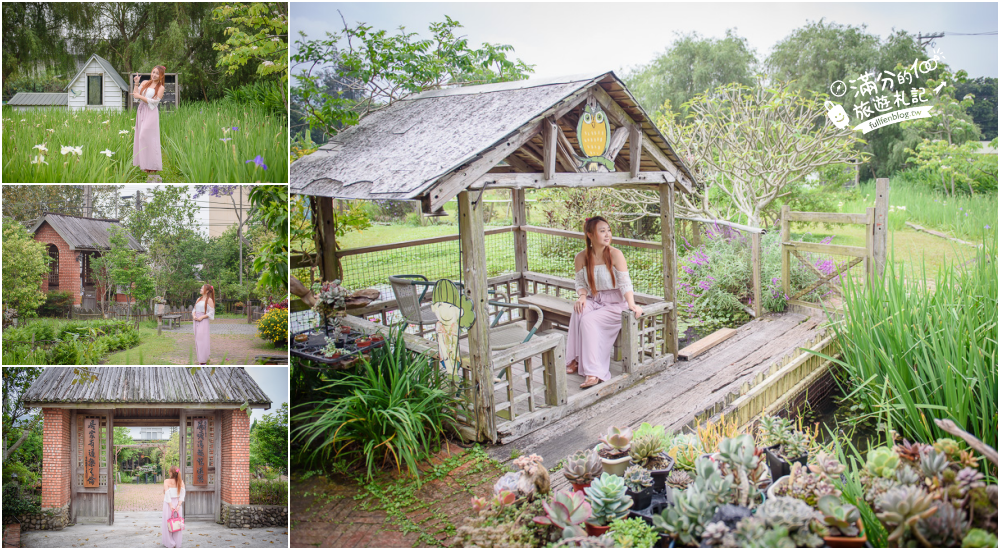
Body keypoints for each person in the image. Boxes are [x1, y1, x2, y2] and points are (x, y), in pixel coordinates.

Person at [566, 216, 643, 389]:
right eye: (602, 231)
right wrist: (582, 296)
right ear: (590, 235)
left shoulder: (615, 254)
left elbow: (625, 283)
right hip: (595, 299)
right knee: (580, 310)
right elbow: (580, 283)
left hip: (615, 304)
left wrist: (631, 304)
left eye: (608, 230)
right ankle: (575, 360)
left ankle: (594, 372)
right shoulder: (581, 257)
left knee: (589, 320)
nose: (607, 234)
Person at [133, 65, 166, 181]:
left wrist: (139, 96)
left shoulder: (161, 87)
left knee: (147, 137)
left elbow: (154, 102)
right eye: (153, 72)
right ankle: (146, 166)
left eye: (157, 73)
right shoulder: (145, 82)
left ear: (161, 76)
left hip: (151, 113)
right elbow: (135, 97)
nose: (154, 75)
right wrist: (136, 84)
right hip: (141, 111)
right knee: (140, 137)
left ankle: (153, 165)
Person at [162, 466, 185, 548]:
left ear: (171, 473)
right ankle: (176, 542)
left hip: (168, 504)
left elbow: (167, 494)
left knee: (168, 523)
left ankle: (170, 543)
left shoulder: (166, 481)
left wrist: (171, 505)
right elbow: (182, 495)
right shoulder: (180, 481)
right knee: (177, 523)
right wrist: (178, 505)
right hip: (178, 504)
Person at [192, 284, 215, 365]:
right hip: (196, 320)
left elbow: (211, 312)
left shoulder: (209, 300)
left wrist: (202, 317)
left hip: (203, 320)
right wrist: (194, 315)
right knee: (197, 340)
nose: (201, 289)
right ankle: (200, 359)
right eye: (201, 287)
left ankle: (203, 360)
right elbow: (194, 309)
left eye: (202, 288)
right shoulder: (199, 299)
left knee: (202, 340)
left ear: (207, 291)